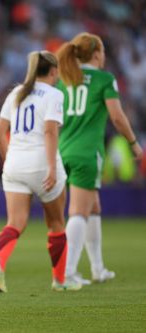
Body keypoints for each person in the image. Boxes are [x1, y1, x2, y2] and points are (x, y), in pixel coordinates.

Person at [56, 32, 143, 285]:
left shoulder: (65, 78)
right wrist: (133, 144)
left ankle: (97, 268)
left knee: (93, 208)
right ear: (96, 53)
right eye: (102, 51)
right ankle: (68, 273)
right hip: (87, 152)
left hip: (65, 149)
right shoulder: (105, 79)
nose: (104, 55)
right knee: (78, 212)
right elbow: (117, 117)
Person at [0, 51, 81, 292]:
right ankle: (60, 281)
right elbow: (50, 132)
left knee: (15, 223)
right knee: (56, 223)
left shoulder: (16, 93)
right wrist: (51, 168)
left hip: (15, 164)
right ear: (53, 71)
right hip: (42, 163)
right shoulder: (54, 94)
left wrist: (10, 158)